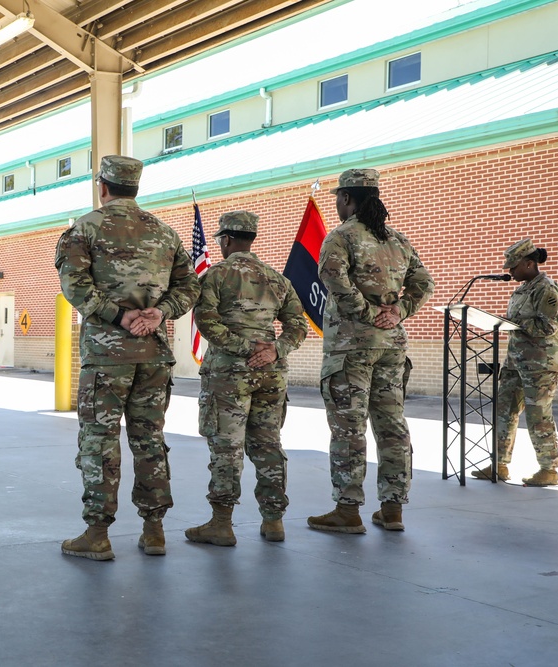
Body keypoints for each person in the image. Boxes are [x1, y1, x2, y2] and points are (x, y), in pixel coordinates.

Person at [54, 155, 200, 560]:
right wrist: (159, 314)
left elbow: (76, 286)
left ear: (103, 185)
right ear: (135, 187)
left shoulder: (83, 229)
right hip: (154, 355)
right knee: (150, 439)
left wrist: (120, 315)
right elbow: (190, 288)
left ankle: (97, 534)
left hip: (106, 357)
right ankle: (154, 531)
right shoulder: (166, 234)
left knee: (100, 442)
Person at [307, 168, 434, 534]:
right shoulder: (397, 239)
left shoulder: (341, 237)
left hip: (352, 347)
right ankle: (393, 508)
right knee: (391, 425)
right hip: (391, 346)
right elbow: (424, 283)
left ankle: (348, 510)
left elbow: (333, 279)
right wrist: (397, 312)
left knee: (349, 426)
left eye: (337, 199)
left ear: (347, 198)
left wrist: (367, 313)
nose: (336, 205)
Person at [186, 211, 308, 545]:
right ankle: (273, 521)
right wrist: (274, 350)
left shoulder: (217, 275)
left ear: (225, 240)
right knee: (268, 443)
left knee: (227, 446)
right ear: (250, 239)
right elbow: (299, 326)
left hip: (229, 374)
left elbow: (207, 322)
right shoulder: (277, 280)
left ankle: (221, 524)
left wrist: (242, 347)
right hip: (271, 373)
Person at [472, 240, 558, 486]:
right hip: (515, 361)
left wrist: (513, 324)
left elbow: (548, 326)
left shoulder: (546, 288)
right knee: (504, 411)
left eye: (513, 267)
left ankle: (549, 469)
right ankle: (500, 464)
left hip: (539, 365)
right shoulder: (522, 288)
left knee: (538, 415)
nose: (509, 271)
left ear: (529, 263)